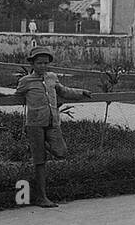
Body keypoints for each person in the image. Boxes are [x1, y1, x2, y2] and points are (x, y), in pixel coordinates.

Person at [13, 45, 94, 207]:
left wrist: (81, 92)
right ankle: (41, 197)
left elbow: (63, 91)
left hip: (52, 122)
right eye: (39, 63)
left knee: (61, 152)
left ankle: (39, 144)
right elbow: (15, 96)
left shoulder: (52, 77)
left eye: (45, 63)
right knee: (40, 161)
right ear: (32, 64)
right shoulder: (26, 81)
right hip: (35, 124)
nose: (42, 66)